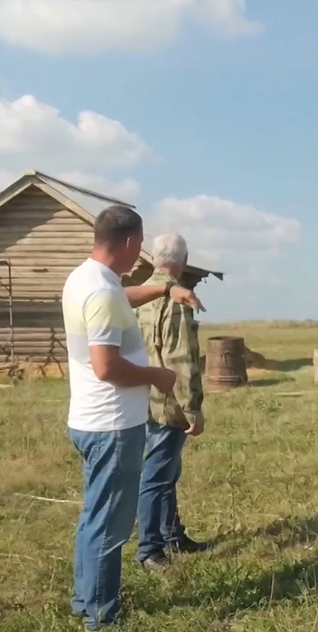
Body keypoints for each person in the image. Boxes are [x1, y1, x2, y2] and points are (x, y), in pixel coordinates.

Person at [62, 205, 202, 631]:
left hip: (89, 419)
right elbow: (106, 366)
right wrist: (157, 375)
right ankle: (101, 616)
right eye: (139, 244)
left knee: (95, 515)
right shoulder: (102, 292)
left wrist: (166, 290)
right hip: (113, 426)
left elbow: (123, 298)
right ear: (127, 242)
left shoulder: (86, 279)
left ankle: (85, 600)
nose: (141, 253)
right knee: (110, 525)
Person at [135, 232, 209, 571]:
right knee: (157, 474)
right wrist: (192, 407)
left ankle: (171, 535)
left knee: (165, 470)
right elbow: (181, 358)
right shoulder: (179, 298)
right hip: (168, 401)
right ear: (183, 261)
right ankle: (150, 548)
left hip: (143, 397)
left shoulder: (140, 295)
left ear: (153, 258)